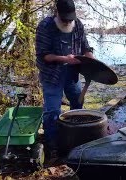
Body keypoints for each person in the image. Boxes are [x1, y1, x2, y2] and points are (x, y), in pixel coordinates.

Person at [35, 0, 94, 155]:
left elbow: (86, 47)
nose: (68, 21)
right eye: (65, 18)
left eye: (70, 18)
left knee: (78, 104)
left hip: (72, 74)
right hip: (52, 74)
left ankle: (75, 138)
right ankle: (52, 146)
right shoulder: (46, 26)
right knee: (53, 110)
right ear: (57, 13)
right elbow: (44, 55)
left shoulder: (78, 25)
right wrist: (65, 59)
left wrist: (91, 59)